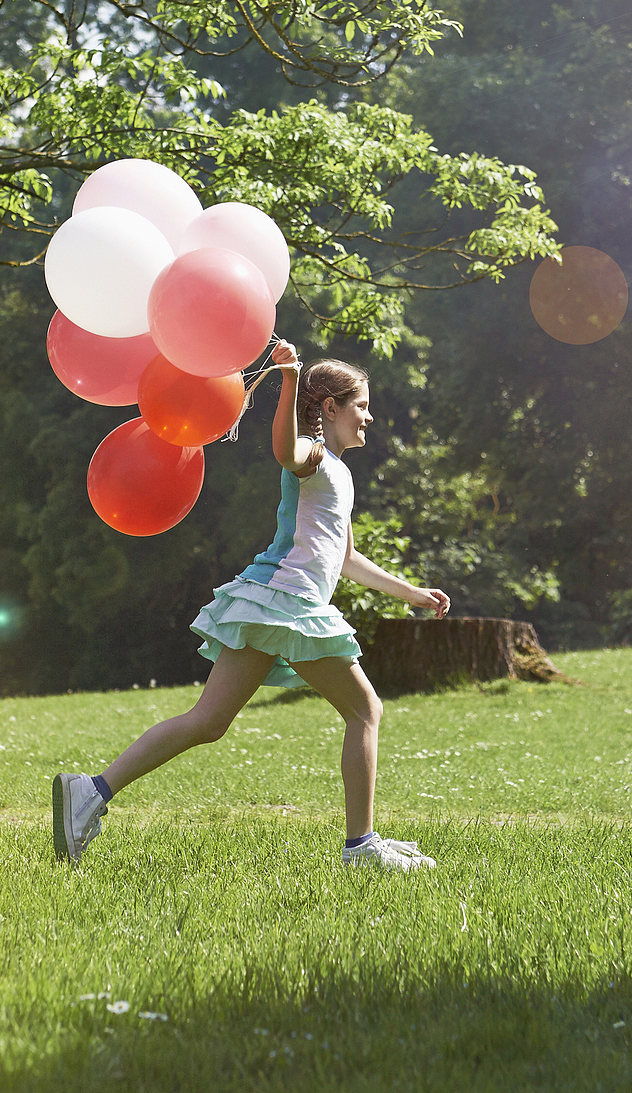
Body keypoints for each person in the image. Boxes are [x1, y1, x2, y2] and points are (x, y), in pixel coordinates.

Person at [52, 341, 449, 870]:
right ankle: (362, 847)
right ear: (329, 408)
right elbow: (285, 450)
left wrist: (413, 595)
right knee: (364, 710)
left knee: (208, 721)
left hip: (271, 604)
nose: (369, 417)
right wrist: (288, 381)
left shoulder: (340, 473)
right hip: (286, 601)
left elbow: (347, 557)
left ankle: (91, 792)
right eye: (361, 406)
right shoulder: (311, 457)